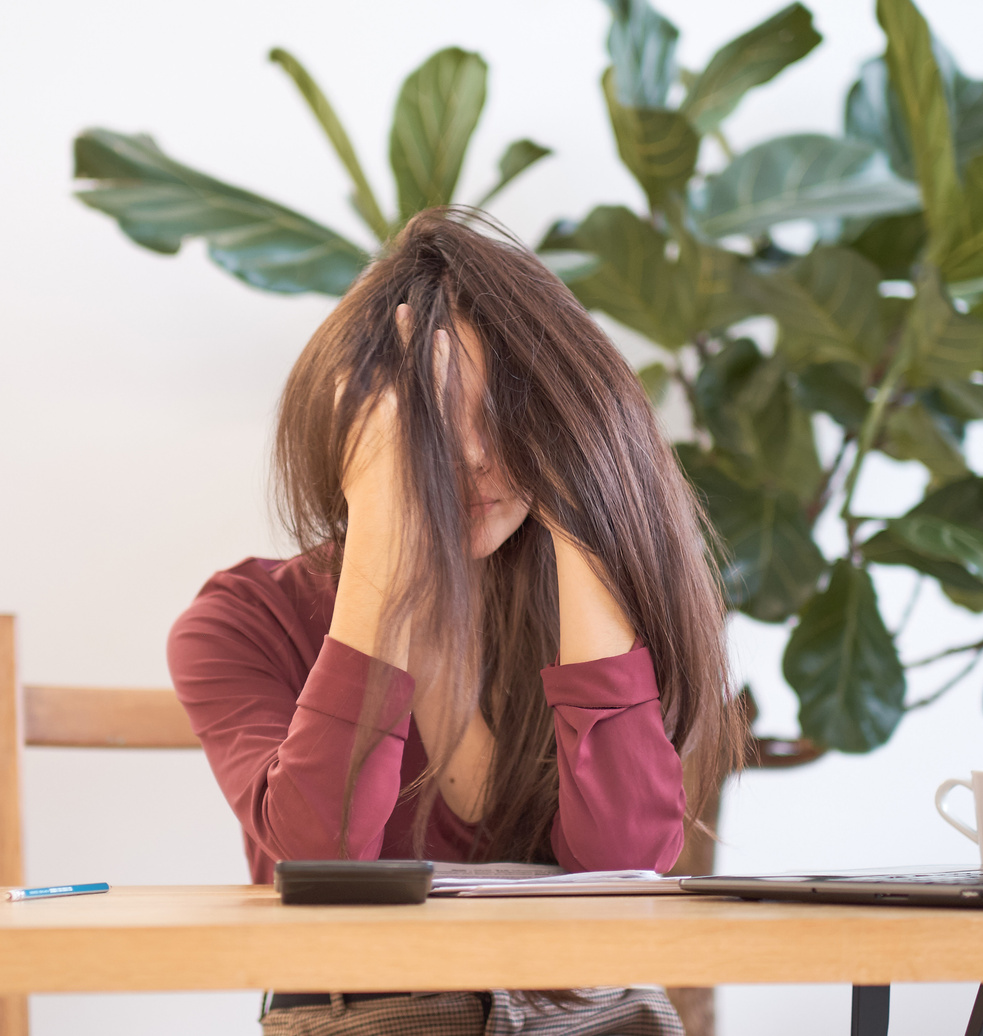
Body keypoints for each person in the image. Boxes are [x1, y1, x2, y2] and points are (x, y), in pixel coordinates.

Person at [167, 208, 746, 1036]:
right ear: (351, 437)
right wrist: (380, 521)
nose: (473, 457)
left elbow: (622, 871)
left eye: (508, 419)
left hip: (588, 1014)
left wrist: (587, 518)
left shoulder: (593, 609)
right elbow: (318, 867)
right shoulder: (240, 622)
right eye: (432, 421)